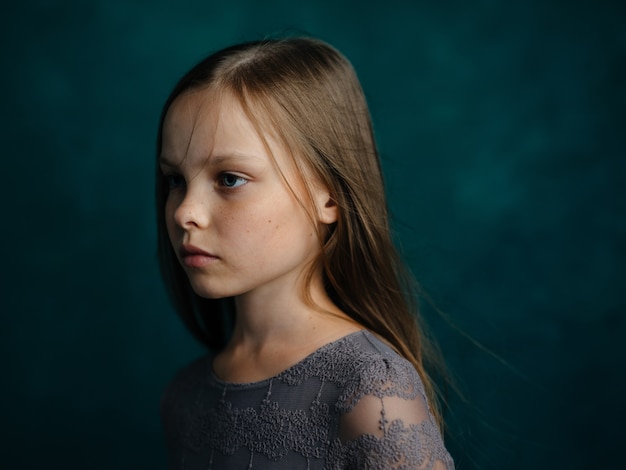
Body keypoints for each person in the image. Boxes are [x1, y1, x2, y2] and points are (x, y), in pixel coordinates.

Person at [157, 36, 455, 469]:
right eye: (175, 180)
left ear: (329, 197)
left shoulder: (371, 387)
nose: (185, 212)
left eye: (230, 179)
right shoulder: (183, 398)